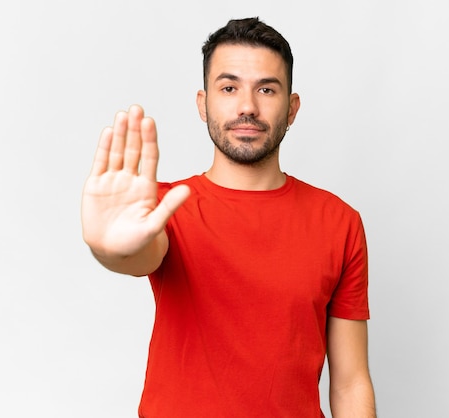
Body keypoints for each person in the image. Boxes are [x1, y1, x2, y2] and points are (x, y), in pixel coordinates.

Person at [81, 17, 375, 418]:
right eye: (229, 87)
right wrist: (108, 248)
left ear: (292, 109)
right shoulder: (164, 206)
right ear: (204, 104)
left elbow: (350, 381)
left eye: (266, 89)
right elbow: (139, 252)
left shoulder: (339, 222)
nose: (247, 107)